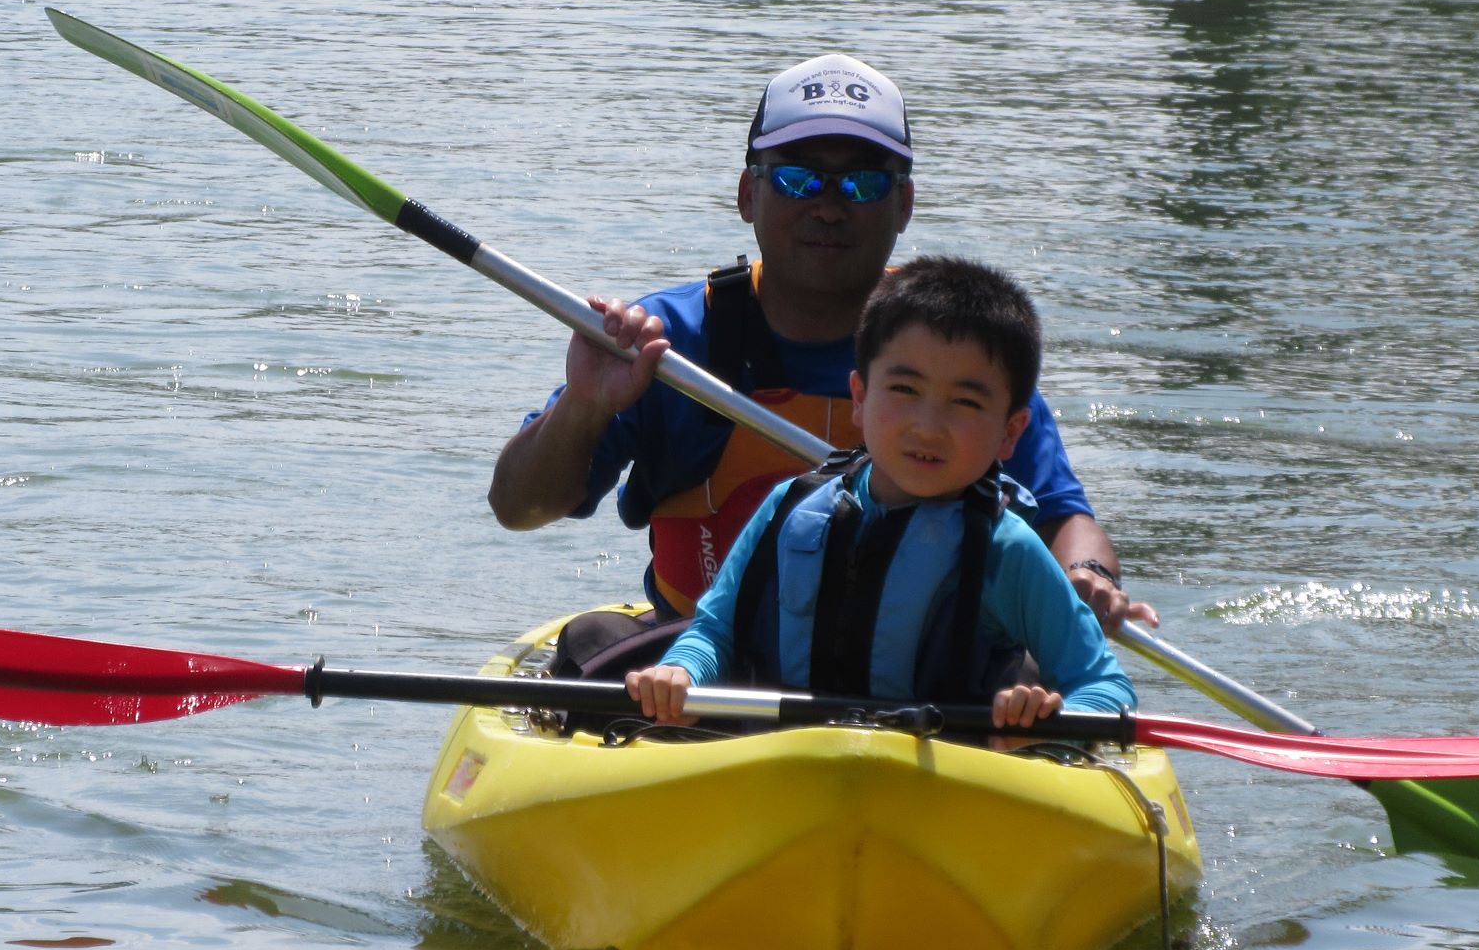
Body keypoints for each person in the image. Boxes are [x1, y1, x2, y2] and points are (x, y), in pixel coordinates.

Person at [487, 50, 1156, 680]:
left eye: (863, 183)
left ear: (904, 205)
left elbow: (1064, 518)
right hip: (711, 662)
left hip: (931, 676)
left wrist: (1089, 576)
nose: (830, 206)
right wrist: (585, 405)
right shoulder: (668, 343)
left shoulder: (965, 344)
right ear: (749, 195)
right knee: (590, 644)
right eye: (798, 178)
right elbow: (519, 508)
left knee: (1037, 673)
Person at [625, 256, 1135, 730]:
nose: (928, 427)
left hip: (946, 784)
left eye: (964, 402)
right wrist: (681, 674)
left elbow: (1104, 686)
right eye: (905, 391)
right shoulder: (789, 508)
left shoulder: (1006, 550)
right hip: (782, 768)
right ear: (860, 398)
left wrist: (1047, 721)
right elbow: (714, 633)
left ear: (1010, 432)